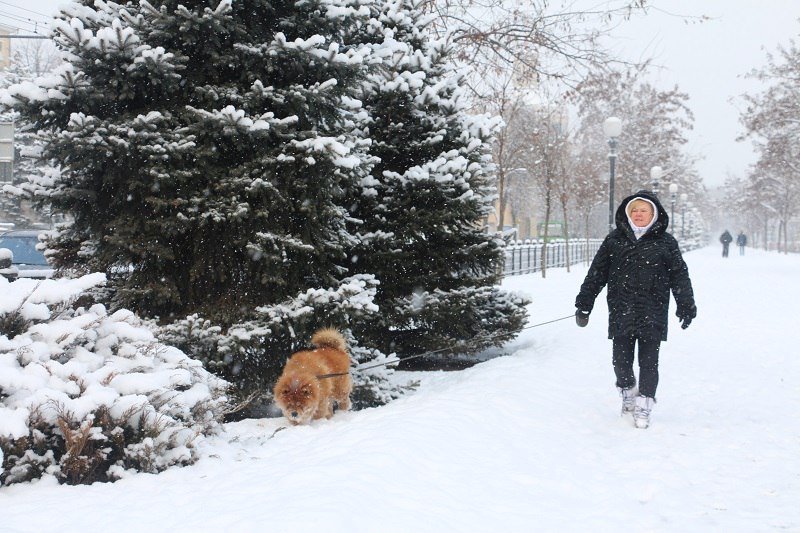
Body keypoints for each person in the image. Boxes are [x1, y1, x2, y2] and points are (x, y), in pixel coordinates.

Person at [574, 191, 696, 429]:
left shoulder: (666, 242)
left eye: (644, 211)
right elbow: (597, 273)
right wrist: (584, 304)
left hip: (654, 310)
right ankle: (628, 392)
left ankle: (645, 404)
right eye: (635, 211)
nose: (639, 215)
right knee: (621, 362)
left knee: (649, 363)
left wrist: (686, 304)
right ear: (628, 214)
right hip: (622, 309)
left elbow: (679, 274)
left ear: (654, 214)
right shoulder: (614, 240)